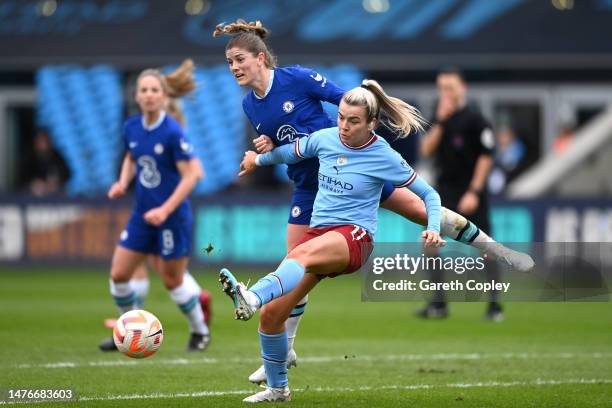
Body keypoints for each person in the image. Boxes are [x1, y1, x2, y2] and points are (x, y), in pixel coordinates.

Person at [214, 19, 534, 385]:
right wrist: (267, 147)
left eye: (239, 59)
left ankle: (498, 251)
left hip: (352, 171)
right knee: (295, 270)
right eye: (230, 62)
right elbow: (281, 141)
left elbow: (346, 104)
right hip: (309, 187)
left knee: (423, 211)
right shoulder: (250, 106)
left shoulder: (297, 79)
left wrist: (361, 134)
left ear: (260, 58)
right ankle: (285, 348)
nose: (235, 67)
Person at [222, 80, 443, 402]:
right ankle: (278, 388)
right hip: (321, 236)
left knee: (300, 257)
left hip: (355, 238)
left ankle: (251, 296)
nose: (344, 126)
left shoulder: (383, 154)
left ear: (372, 123)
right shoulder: (324, 139)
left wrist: (434, 227)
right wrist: (258, 160)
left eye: (353, 121)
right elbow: (290, 152)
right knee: (273, 316)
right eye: (340, 117)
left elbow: (430, 195)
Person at [98, 59, 211, 352]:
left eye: (154, 90)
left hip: (172, 218)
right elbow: (132, 157)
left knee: (172, 280)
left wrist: (165, 209)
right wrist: (122, 182)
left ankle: (200, 332)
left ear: (163, 96)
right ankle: (128, 329)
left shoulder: (173, 132)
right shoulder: (132, 126)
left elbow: (190, 177)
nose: (148, 94)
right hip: (142, 215)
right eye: (143, 90)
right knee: (119, 274)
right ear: (137, 96)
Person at [419, 67, 503, 320]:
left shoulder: (476, 120)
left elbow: (486, 157)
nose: (445, 92)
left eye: (450, 87)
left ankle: (494, 306)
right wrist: (441, 121)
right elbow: (426, 149)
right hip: (445, 191)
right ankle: (438, 304)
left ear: (462, 88)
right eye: (441, 88)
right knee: (430, 244)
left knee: (485, 247)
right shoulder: (440, 119)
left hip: (471, 192)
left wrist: (474, 191)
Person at [25, 128, 69, 196]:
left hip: (55, 194)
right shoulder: (31, 158)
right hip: (34, 195)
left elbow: (67, 173)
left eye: (45, 140)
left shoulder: (56, 156)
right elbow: (24, 178)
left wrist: (56, 182)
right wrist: (36, 183)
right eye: (40, 140)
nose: (43, 143)